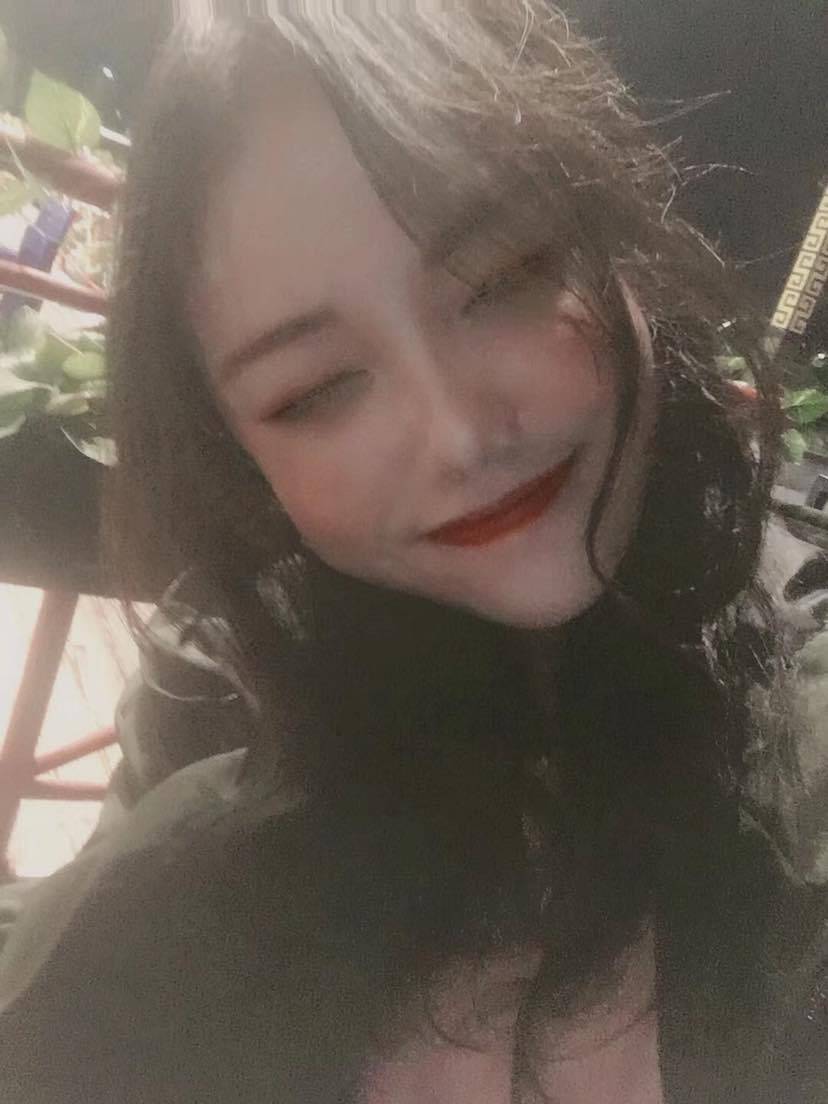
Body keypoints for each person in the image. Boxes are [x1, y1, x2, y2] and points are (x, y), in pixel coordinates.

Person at [0, 6, 827, 1102]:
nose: (458, 435)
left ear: (620, 240)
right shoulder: (223, 693)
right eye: (317, 390)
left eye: (507, 278)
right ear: (241, 457)